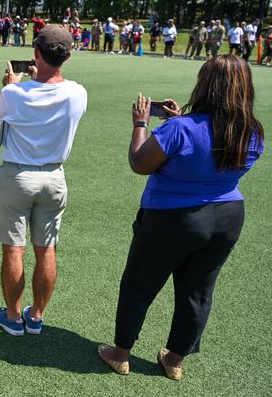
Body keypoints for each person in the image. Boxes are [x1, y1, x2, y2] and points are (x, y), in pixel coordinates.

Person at [98, 55, 264, 380]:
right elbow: (214, 154)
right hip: (228, 216)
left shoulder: (179, 129)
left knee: (140, 285)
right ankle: (174, 361)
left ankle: (121, 354)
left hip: (173, 218)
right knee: (199, 291)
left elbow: (139, 162)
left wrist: (141, 125)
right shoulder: (252, 131)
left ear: (205, 84)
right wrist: (180, 122)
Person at [0, 25, 88, 336]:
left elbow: (3, 130)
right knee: (47, 249)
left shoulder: (13, 92)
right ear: (67, 56)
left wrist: (14, 85)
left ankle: (13, 315)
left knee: (14, 250)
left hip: (17, 175)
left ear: (36, 54)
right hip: (54, 176)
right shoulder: (78, 92)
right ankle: (37, 314)